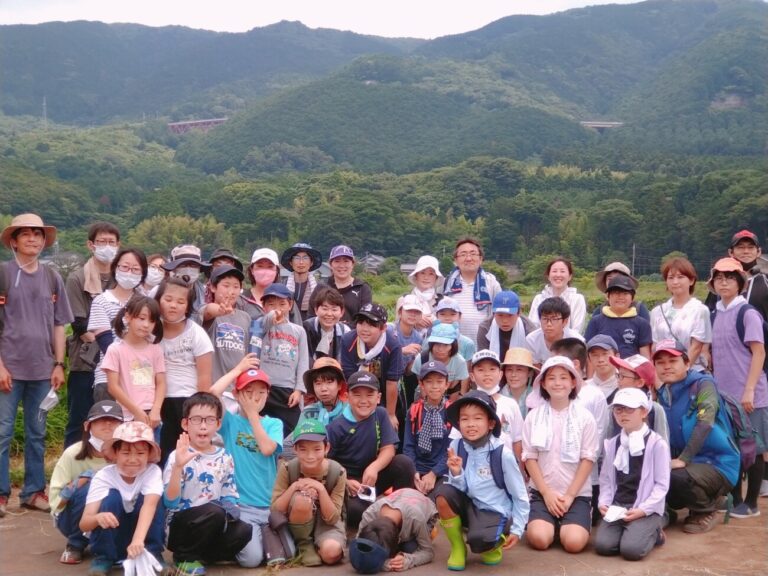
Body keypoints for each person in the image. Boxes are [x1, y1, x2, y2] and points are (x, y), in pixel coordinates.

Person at [0, 213, 73, 516]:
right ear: (14, 241)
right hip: (8, 369)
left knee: (37, 432)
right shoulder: (3, 274)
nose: (33, 238)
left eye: (38, 234)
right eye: (25, 233)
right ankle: (1, 494)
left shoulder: (52, 277)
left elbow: (59, 325)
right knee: (2, 432)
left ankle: (33, 491)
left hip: (43, 371)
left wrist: (58, 364)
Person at [435, 390, 529, 570]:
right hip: (470, 504)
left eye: (478, 418)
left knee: (480, 541)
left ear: (491, 423)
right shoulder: (456, 446)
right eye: (464, 419)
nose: (471, 424)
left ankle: (492, 541)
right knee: (443, 494)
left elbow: (520, 495)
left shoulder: (503, 454)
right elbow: (459, 490)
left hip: (494, 510)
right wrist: (456, 473)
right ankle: (458, 547)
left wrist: (517, 529)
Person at [653, 339, 739, 534]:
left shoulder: (704, 385)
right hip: (688, 463)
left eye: (672, 361)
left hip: (718, 464)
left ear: (687, 363)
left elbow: (705, 423)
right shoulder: (664, 392)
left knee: (675, 476)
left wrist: (683, 459)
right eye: (660, 362)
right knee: (654, 473)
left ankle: (707, 510)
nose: (666, 366)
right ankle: (671, 510)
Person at [162, 392, 251, 575]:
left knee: (243, 530)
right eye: (196, 419)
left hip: (213, 521)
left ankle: (202, 555)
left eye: (210, 420)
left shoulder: (225, 457)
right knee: (214, 512)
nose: (203, 426)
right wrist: (178, 466)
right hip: (182, 526)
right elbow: (170, 502)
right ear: (185, 424)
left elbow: (229, 495)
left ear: (218, 424)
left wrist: (230, 516)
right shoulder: (177, 455)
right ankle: (184, 557)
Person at [208, 356, 284, 567]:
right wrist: (237, 369)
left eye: (261, 392)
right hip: (242, 506)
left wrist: (252, 416)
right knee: (251, 560)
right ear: (236, 394)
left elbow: (267, 449)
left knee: (284, 554)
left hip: (269, 506)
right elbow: (212, 394)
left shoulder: (274, 423)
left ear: (268, 395)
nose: (255, 398)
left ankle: (262, 535)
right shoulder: (230, 422)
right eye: (248, 392)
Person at [708, 257, 767, 518]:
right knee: (732, 446)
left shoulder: (748, 313)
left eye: (730, 278)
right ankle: (736, 498)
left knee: (754, 448)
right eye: (719, 278)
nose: (724, 283)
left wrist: (750, 390)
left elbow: (759, 352)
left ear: (741, 283)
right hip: (725, 394)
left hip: (749, 394)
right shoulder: (715, 314)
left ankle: (751, 503)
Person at [522, 356, 598, 553]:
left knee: (573, 543)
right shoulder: (533, 417)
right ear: (543, 384)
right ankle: (550, 523)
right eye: (551, 378)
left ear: (573, 382)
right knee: (539, 539)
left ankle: (572, 521)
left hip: (576, 494)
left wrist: (570, 495)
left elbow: (588, 458)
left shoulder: (585, 417)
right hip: (542, 492)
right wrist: (546, 493)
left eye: (563, 377)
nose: (557, 383)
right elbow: (529, 457)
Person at [326, 371, 416, 529]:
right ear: (347, 397)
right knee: (356, 513)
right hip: (349, 484)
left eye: (369, 395)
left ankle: (401, 511)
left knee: (404, 464)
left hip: (372, 477)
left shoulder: (380, 414)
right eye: (357, 395)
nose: (363, 401)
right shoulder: (335, 427)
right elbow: (325, 464)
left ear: (378, 397)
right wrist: (345, 481)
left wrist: (374, 467)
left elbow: (389, 448)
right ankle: (385, 516)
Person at [79, 421, 165, 576]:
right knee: (111, 498)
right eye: (126, 453)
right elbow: (84, 524)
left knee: (155, 501)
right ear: (115, 453)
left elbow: (149, 506)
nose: (132, 459)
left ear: (149, 455)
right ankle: (104, 557)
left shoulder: (153, 472)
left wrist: (138, 540)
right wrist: (98, 518)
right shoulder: (104, 476)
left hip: (140, 537)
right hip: (115, 535)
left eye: (140, 453)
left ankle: (153, 553)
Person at [595, 388, 670, 561]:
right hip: (618, 505)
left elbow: (661, 485)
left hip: (644, 507)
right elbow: (606, 479)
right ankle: (632, 532)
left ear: (644, 412)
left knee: (631, 550)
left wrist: (643, 510)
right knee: (603, 546)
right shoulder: (613, 444)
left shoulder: (657, 444)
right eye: (618, 409)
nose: (623, 414)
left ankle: (654, 532)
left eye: (629, 409)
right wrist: (604, 502)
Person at [63, 221, 120, 448]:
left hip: (118, 363)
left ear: (118, 245)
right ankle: (72, 463)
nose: (107, 246)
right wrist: (109, 333)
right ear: (90, 245)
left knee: (113, 419)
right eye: (101, 241)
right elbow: (78, 322)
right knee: (79, 419)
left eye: (111, 242)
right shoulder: (77, 278)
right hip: (86, 360)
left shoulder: (122, 278)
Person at [49, 400, 124, 565]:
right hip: (71, 517)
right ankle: (75, 544)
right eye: (100, 420)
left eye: (113, 420)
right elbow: (55, 503)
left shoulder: (127, 454)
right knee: (91, 486)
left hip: (114, 515)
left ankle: (114, 547)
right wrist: (76, 485)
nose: (107, 424)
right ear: (87, 426)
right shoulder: (73, 453)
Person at [271, 418, 346, 567]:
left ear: (326, 448)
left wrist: (321, 489)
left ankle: (319, 544)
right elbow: (275, 509)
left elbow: (332, 518)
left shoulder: (337, 472)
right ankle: (303, 544)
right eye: (303, 449)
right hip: (296, 519)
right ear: (295, 449)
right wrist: (294, 487)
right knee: (303, 498)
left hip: (326, 522)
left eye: (317, 449)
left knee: (331, 554)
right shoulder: (287, 468)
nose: (310, 456)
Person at [155, 277, 213, 465]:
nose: (173, 305)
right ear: (158, 300)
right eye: (168, 299)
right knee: (161, 455)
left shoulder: (196, 333)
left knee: (187, 455)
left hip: (187, 400)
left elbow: (204, 376)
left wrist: (200, 411)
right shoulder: (150, 332)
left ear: (188, 307)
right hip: (156, 401)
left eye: (181, 302)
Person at [87, 247, 147, 401]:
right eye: (125, 267)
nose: (129, 272)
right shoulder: (101, 301)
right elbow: (106, 344)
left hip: (141, 377)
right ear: (115, 268)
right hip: (109, 378)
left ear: (142, 273)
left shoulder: (147, 303)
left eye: (136, 269)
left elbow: (150, 339)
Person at [102, 297, 165, 428]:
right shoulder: (115, 350)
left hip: (151, 416)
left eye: (152, 321)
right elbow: (113, 387)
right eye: (141, 318)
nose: (146, 325)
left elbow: (161, 382)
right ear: (128, 317)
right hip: (126, 416)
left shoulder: (156, 349)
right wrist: (136, 411)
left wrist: (156, 410)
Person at [340, 303, 405, 432]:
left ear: (383, 328)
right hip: (357, 392)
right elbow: (349, 377)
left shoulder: (393, 345)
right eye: (361, 323)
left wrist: (390, 414)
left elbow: (392, 382)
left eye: (371, 325)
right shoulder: (347, 340)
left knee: (389, 427)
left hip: (385, 395)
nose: (364, 329)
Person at [260, 283, 310, 436]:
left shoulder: (298, 331)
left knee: (291, 431)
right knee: (262, 429)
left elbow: (303, 362)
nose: (277, 308)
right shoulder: (260, 325)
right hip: (264, 387)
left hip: (288, 390)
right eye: (271, 304)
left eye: (282, 304)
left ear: (290, 304)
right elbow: (265, 322)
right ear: (264, 306)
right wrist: (272, 316)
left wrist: (299, 390)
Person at [350, 487, 438, 573]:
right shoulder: (369, 515)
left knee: (409, 548)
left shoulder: (416, 519)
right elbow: (358, 545)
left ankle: (428, 533)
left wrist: (408, 561)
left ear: (398, 539)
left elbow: (428, 552)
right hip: (403, 499)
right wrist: (383, 563)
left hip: (426, 514)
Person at [650, 257, 711, 371]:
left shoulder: (700, 310)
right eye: (671, 277)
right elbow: (655, 345)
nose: (675, 282)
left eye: (680, 277)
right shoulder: (657, 312)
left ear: (691, 280)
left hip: (691, 371)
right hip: (664, 372)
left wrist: (680, 372)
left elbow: (696, 347)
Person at [403, 360, 452, 497]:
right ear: (421, 385)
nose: (434, 386)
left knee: (440, 498)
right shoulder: (414, 411)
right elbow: (408, 446)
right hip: (417, 469)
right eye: (429, 382)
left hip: (442, 470)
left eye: (439, 381)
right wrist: (413, 472)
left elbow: (452, 449)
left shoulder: (452, 412)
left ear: (447, 384)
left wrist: (434, 473)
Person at [468, 350, 524, 467]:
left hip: (505, 466)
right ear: (472, 376)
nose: (487, 374)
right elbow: (456, 440)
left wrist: (519, 470)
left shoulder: (510, 404)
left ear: (500, 375)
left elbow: (517, 440)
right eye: (481, 370)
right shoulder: (466, 403)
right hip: (475, 467)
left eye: (492, 369)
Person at [442, 238, 501, 345]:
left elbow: (499, 313)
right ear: (455, 260)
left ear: (480, 259)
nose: (468, 258)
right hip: (451, 347)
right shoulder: (446, 284)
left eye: (473, 254)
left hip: (483, 346)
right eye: (463, 254)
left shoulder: (491, 283)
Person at [203, 265, 251, 385]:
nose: (231, 291)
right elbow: (208, 310)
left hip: (237, 387)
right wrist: (220, 311)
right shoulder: (209, 313)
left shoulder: (245, 317)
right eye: (226, 285)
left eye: (236, 287)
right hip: (214, 385)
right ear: (213, 287)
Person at [585, 275, 652, 359]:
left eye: (625, 293)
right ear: (608, 296)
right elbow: (588, 351)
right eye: (616, 293)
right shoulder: (596, 321)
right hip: (603, 366)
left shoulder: (642, 323)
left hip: (631, 367)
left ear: (633, 298)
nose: (620, 297)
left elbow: (645, 356)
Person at [606, 354, 669, 442]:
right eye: (618, 375)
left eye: (622, 376)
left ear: (640, 383)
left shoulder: (655, 410)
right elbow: (608, 441)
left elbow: (663, 443)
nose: (618, 380)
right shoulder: (613, 408)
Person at [238, 248, 302, 325]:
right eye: (260, 266)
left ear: (277, 271)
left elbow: (298, 326)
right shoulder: (242, 299)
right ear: (252, 270)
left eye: (270, 267)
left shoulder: (287, 296)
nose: (265, 271)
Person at [315, 245, 372, 325]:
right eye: (337, 261)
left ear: (353, 264)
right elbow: (312, 315)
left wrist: (345, 328)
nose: (341, 266)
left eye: (346, 261)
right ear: (330, 264)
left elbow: (365, 318)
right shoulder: (321, 287)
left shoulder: (363, 288)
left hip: (353, 332)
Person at [411, 323, 469, 400]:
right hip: (425, 394)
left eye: (446, 345)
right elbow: (421, 383)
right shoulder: (422, 358)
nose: (440, 349)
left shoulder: (460, 362)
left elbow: (457, 387)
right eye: (437, 344)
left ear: (453, 345)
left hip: (450, 394)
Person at [529, 258, 587, 333]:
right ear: (548, 276)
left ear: (570, 276)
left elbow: (577, 329)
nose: (558, 275)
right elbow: (533, 327)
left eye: (562, 271)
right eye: (554, 271)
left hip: (570, 340)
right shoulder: (539, 299)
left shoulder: (577, 299)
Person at [389, 294, 427, 405]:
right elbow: (379, 355)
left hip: (401, 381)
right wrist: (401, 351)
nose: (413, 314)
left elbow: (407, 370)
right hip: (385, 378)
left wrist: (417, 362)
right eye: (409, 311)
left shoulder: (418, 338)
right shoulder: (389, 330)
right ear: (400, 312)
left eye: (417, 312)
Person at [525, 297, 583, 367]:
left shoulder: (576, 341)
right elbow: (536, 369)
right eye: (545, 318)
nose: (549, 324)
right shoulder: (532, 340)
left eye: (554, 319)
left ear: (565, 321)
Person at [161, 244, 210, 324]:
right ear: (174, 269)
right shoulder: (161, 290)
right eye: (183, 265)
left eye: (193, 265)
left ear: (199, 268)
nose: (188, 269)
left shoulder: (206, 294)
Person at [476, 290, 535, 357]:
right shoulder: (485, 328)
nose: (505, 321)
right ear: (493, 314)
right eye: (500, 315)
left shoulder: (529, 330)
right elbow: (482, 358)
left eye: (510, 315)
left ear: (518, 313)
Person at [303, 285, 349, 363]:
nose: (329, 314)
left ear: (342, 312)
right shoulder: (306, 328)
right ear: (316, 310)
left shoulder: (345, 331)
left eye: (334, 310)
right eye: (325, 309)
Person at [281, 242, 322, 322]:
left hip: (310, 327)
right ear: (291, 262)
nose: (301, 262)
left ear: (311, 263)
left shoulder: (318, 288)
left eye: (305, 258)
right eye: (297, 258)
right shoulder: (283, 286)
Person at [302, 357, 347, 425]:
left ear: (339, 385)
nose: (323, 389)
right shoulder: (308, 412)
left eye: (329, 382)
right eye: (318, 383)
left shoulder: (349, 411)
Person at [499, 347, 539, 419]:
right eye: (509, 369)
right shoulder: (498, 398)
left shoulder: (538, 398)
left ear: (530, 373)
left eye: (519, 370)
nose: (513, 374)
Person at [406, 255, 444, 329]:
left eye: (431, 274)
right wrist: (415, 319)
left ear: (436, 278)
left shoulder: (442, 301)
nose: (426, 277)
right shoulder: (404, 300)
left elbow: (448, 326)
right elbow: (398, 329)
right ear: (416, 276)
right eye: (422, 273)